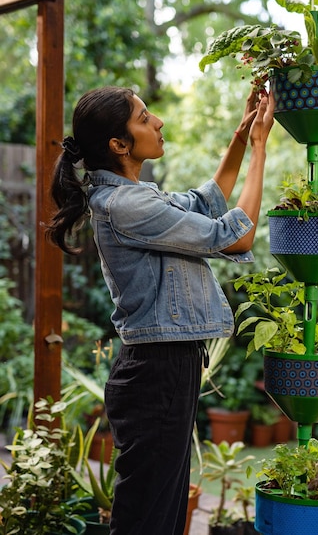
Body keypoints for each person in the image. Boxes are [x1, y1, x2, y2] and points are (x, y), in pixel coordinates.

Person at [46, 85, 274, 535]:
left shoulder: (138, 197)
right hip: (157, 370)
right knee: (147, 520)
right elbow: (235, 237)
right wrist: (261, 151)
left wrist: (241, 138)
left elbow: (205, 203)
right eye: (144, 117)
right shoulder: (126, 205)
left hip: (165, 366)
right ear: (119, 145)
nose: (158, 123)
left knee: (164, 514)